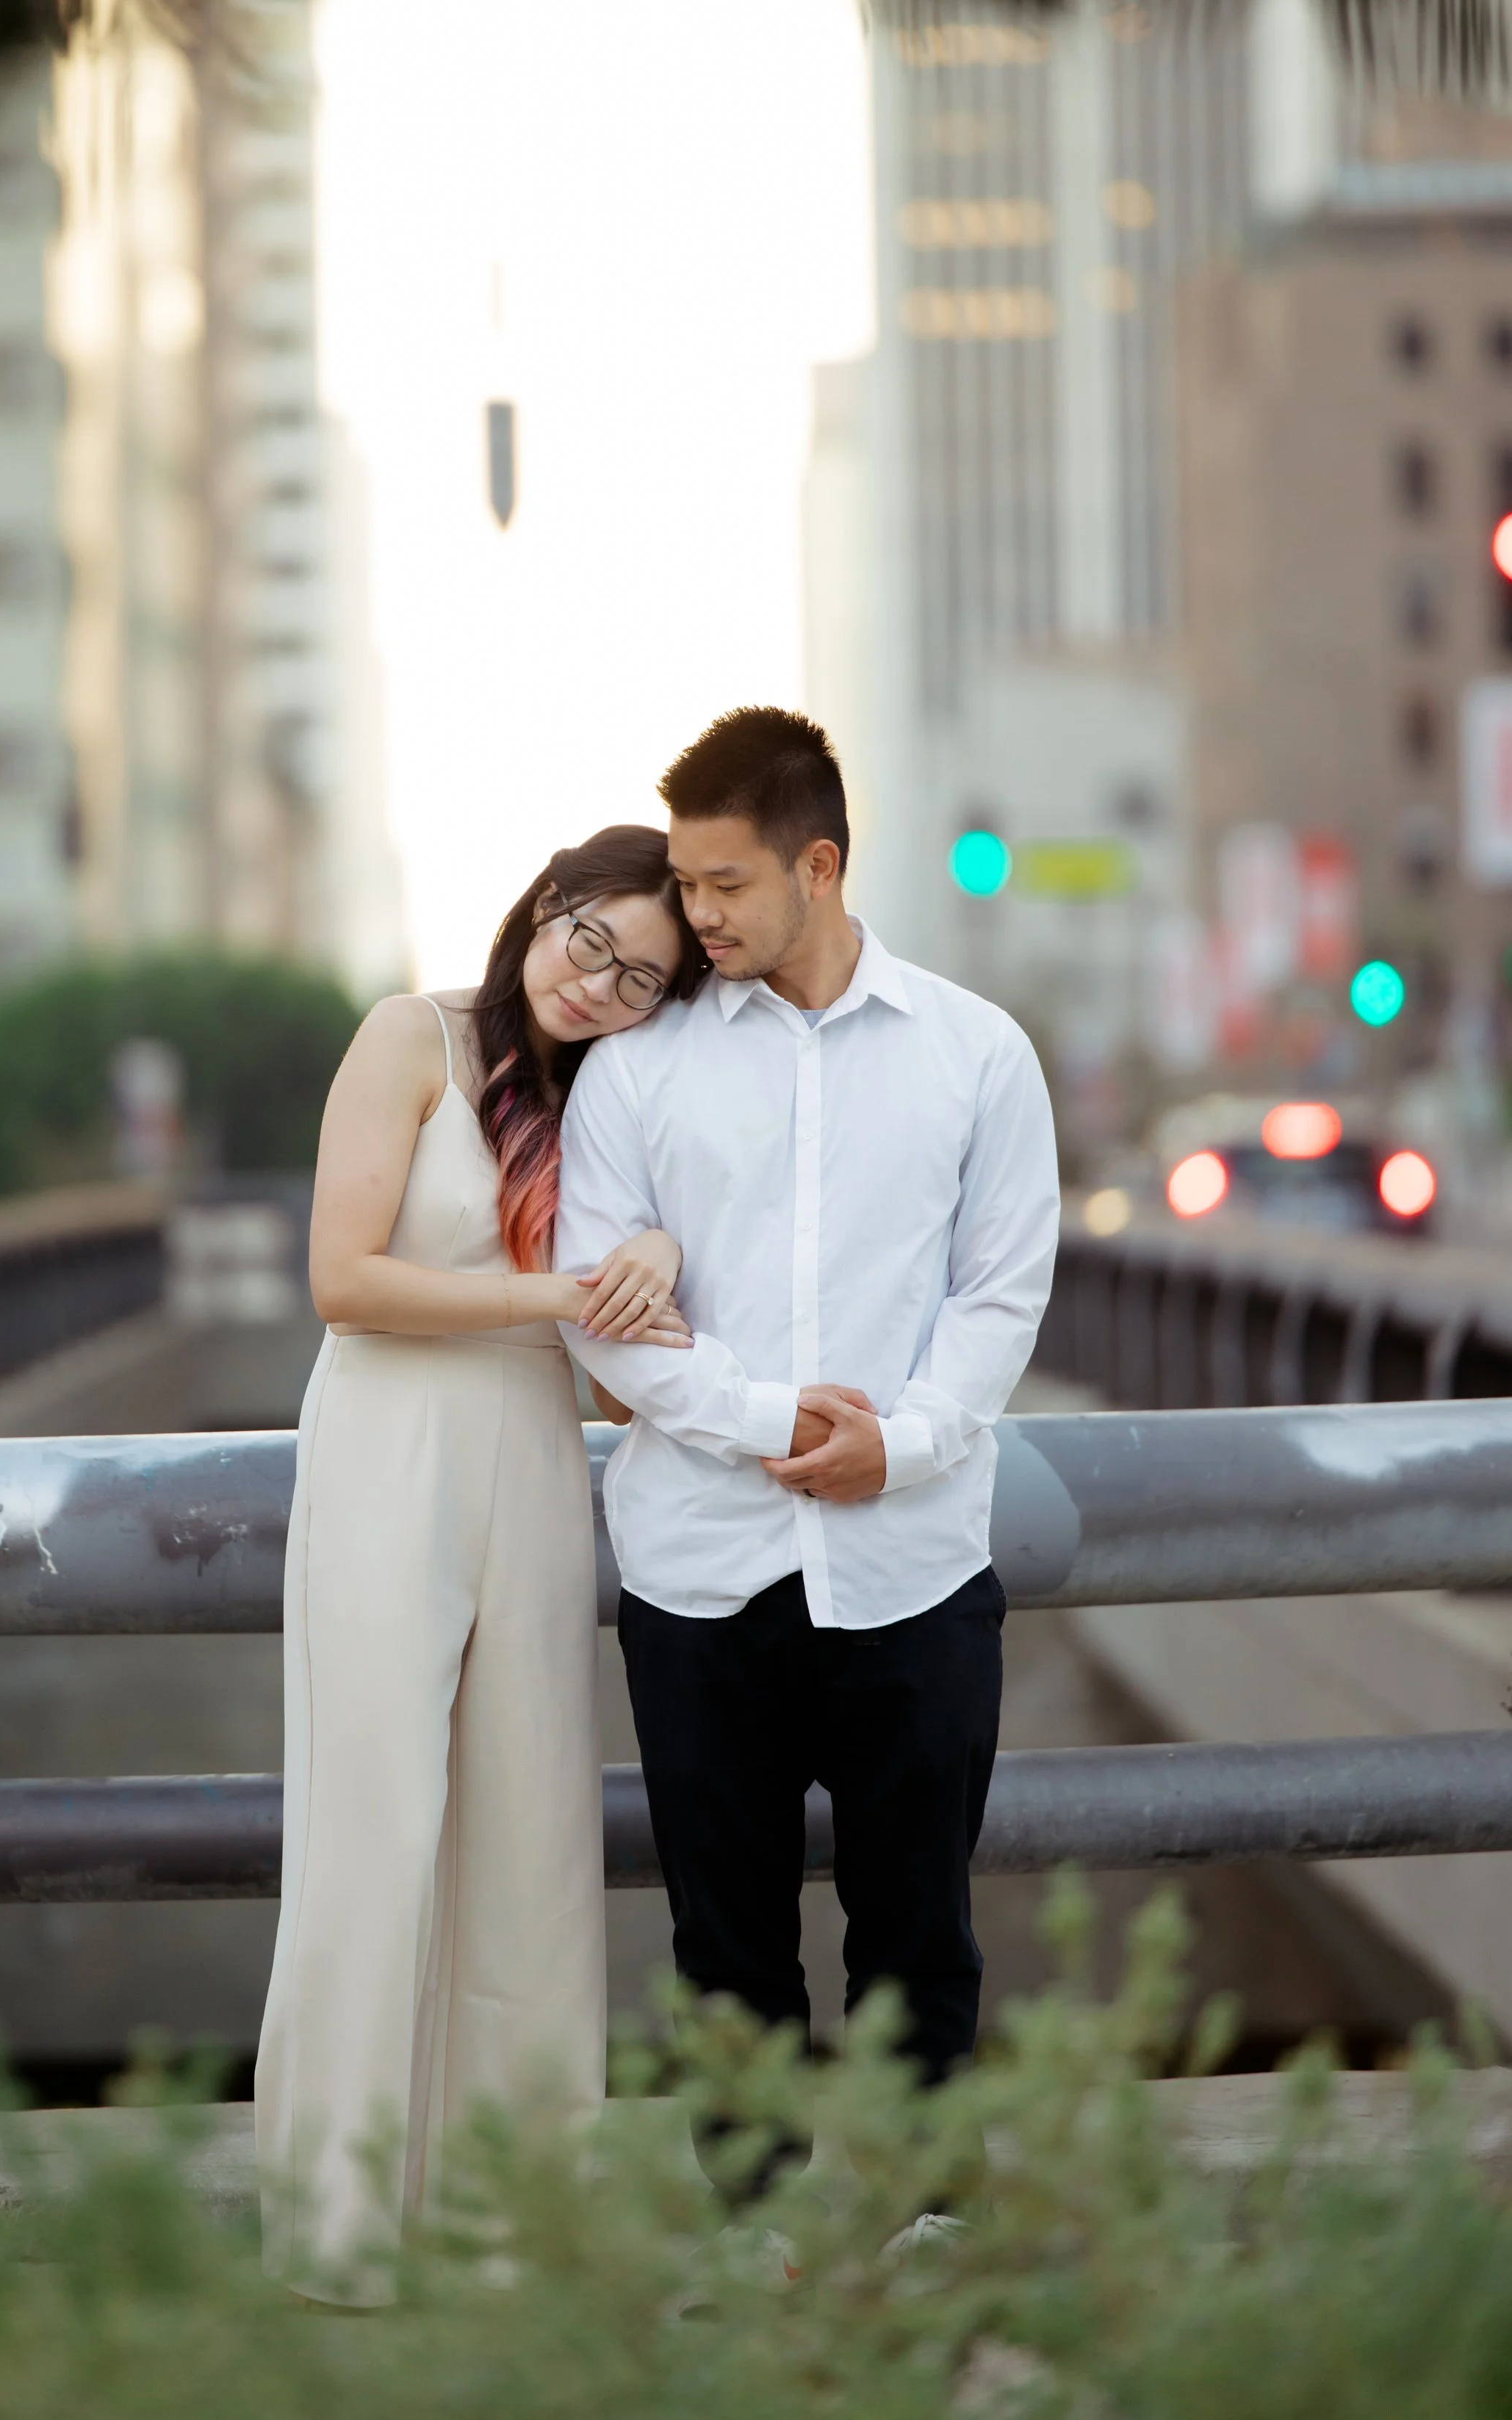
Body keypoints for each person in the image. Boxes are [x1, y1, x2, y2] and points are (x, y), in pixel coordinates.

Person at [554, 707, 1060, 2135]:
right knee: (726, 1960)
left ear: (818, 866)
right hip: (699, 1576)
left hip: (914, 1569)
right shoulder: (636, 1069)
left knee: (920, 1941)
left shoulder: (976, 1053)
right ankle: (754, 2230)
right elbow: (607, 1320)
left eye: (724, 883)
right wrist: (775, 1419)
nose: (696, 914)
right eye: (684, 883)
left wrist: (900, 1443)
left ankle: (924, 2222)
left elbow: (1000, 1291)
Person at [253, 824, 708, 2299]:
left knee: (531, 1833)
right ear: (547, 904)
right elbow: (342, 1280)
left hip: (534, 1453)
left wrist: (654, 1266)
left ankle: (513, 2230)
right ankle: (338, 2230)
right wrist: (557, 1293)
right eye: (592, 942)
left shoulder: (614, 1101)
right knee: (377, 1826)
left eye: (640, 979)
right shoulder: (412, 1038)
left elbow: (625, 1343)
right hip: (389, 1445)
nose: (599, 986)